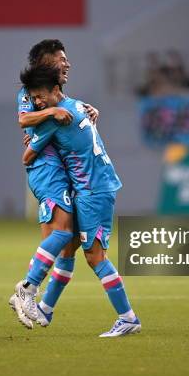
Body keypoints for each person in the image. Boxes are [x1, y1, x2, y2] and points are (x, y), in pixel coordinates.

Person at [20, 64, 141, 337]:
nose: (37, 103)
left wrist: (33, 139)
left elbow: (27, 156)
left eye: (40, 96)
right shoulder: (77, 106)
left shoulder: (55, 119)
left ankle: (128, 317)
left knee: (94, 256)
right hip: (95, 185)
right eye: (33, 98)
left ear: (55, 90)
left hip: (92, 190)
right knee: (69, 247)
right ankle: (46, 308)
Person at [9, 40, 99, 329]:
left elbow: (65, 113)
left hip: (63, 172)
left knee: (67, 244)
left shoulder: (57, 93)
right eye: (61, 58)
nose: (67, 63)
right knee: (62, 233)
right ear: (45, 63)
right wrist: (49, 115)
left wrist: (88, 110)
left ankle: (42, 305)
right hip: (47, 170)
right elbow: (24, 119)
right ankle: (28, 289)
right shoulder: (30, 92)